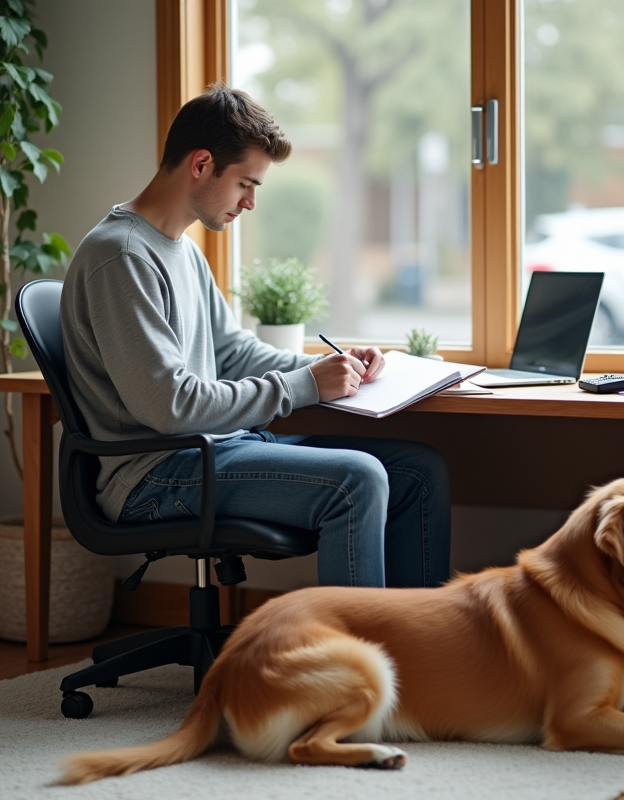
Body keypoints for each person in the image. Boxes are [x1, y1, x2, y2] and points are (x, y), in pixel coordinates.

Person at [60, 83, 450, 588]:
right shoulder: (122, 257)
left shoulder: (180, 250)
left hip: (212, 449)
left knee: (419, 469)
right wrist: (305, 387)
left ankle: (416, 653)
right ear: (201, 164)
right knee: (358, 479)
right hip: (155, 474)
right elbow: (170, 405)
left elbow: (233, 351)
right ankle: (349, 667)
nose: (250, 204)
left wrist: (328, 368)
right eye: (246, 184)